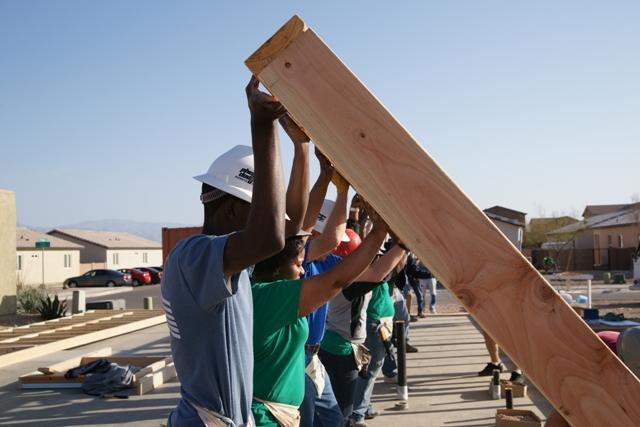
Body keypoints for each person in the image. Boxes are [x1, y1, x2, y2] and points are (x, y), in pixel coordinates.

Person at [161, 76, 287, 426]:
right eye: (255, 209)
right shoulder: (194, 257)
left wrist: (302, 149)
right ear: (231, 210)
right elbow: (271, 236)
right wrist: (262, 126)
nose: (265, 219)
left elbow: (286, 232)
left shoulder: (230, 267)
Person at [250, 211, 391, 426]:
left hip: (288, 400)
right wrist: (379, 233)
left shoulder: (272, 292)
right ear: (277, 266)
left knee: (333, 418)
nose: (302, 271)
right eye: (298, 264)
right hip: (268, 417)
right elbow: (335, 279)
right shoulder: (271, 296)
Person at [319, 226, 407, 420]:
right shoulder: (350, 281)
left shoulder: (331, 273)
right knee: (343, 410)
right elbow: (379, 272)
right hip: (341, 351)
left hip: (332, 344)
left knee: (331, 408)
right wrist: (403, 245)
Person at [351, 250, 408, 426]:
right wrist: (402, 247)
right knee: (369, 370)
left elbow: (398, 266)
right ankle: (357, 414)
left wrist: (403, 248)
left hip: (380, 323)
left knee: (373, 369)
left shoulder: (376, 275)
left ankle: (365, 407)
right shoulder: (370, 276)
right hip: (375, 325)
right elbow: (396, 265)